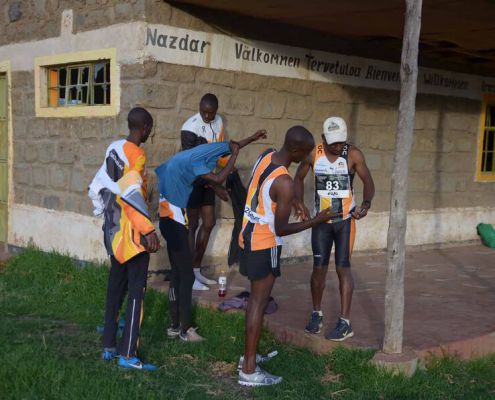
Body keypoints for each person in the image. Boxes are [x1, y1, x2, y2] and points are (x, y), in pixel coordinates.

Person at [238, 126, 334, 387]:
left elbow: (260, 191)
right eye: (305, 153)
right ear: (294, 150)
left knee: (255, 301)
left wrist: (293, 202)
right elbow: (281, 228)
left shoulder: (266, 155)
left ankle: (249, 356)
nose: (307, 158)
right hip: (264, 242)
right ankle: (248, 369)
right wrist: (317, 220)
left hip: (246, 235)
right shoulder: (285, 183)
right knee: (258, 302)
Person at [156, 130, 267, 342]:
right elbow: (218, 177)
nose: (210, 163)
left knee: (177, 273)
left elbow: (230, 144)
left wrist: (250, 138)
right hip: (175, 221)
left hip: (165, 217)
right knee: (186, 276)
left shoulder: (187, 155)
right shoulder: (195, 163)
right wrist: (234, 157)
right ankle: (185, 330)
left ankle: (173, 326)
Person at [294, 116, 375, 341]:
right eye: (333, 143)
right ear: (323, 139)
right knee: (318, 268)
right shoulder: (314, 153)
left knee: (343, 268)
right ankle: (316, 314)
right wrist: (299, 203)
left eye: (341, 142)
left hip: (345, 221)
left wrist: (366, 205)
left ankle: (345, 322)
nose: (338, 147)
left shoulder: (353, 155)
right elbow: (298, 178)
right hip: (321, 222)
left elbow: (368, 181)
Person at [97, 107, 160, 370]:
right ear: (144, 127)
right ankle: (128, 354)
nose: (149, 133)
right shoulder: (137, 156)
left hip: (112, 231)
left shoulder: (114, 147)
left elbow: (106, 187)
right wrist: (148, 231)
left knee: (115, 287)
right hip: (132, 236)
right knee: (136, 293)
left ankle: (108, 345)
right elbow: (130, 198)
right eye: (150, 129)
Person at [181, 93, 226, 291]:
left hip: (209, 179)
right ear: (199, 108)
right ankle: (188, 275)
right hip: (192, 180)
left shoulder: (219, 122)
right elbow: (191, 162)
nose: (208, 116)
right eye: (204, 112)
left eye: (212, 113)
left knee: (209, 223)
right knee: (192, 225)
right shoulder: (189, 127)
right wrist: (216, 185)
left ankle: (196, 269)